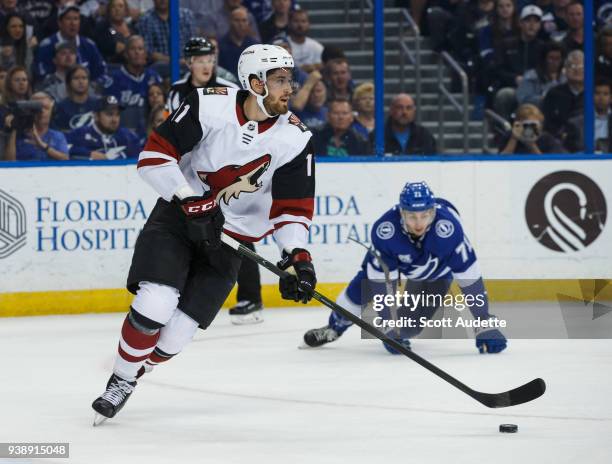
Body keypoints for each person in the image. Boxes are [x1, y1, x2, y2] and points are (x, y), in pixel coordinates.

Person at [91, 44, 317, 423]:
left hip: (232, 241)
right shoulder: (208, 105)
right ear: (255, 83)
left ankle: (139, 368)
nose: (289, 88)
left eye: (289, 79)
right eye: (280, 80)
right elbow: (153, 157)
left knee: (177, 334)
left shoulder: (296, 138)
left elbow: (292, 210)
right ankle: (122, 379)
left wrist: (297, 257)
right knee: (156, 301)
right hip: (179, 219)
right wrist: (189, 198)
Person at [303, 182, 508, 355]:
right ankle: (334, 327)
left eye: (425, 215)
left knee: (408, 328)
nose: (419, 223)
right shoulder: (385, 231)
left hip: (435, 275)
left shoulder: (449, 230)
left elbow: (469, 281)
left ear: (433, 212)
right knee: (362, 285)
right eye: (412, 216)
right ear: (401, 212)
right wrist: (388, 324)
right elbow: (381, 285)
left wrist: (483, 321)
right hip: (397, 265)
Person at [103, 35, 162, 141]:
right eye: (133, 49)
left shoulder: (154, 77)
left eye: (140, 49)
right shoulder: (114, 79)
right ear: (125, 54)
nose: (137, 52)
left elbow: (163, 109)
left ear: (145, 53)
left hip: (151, 134)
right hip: (121, 136)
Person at [33, 4, 107, 85]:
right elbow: (41, 75)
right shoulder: (47, 46)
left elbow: (102, 72)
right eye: (68, 19)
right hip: (56, 92)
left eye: (76, 19)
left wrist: (91, 86)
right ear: (59, 23)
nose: (73, 23)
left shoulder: (89, 44)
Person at [167, 36, 238, 113]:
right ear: (188, 63)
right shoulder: (177, 90)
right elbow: (174, 123)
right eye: (201, 62)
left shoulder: (230, 89)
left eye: (210, 61)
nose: (206, 67)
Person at [66, 95, 141, 160]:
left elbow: (139, 157)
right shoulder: (80, 134)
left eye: (117, 114)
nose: (114, 119)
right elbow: (64, 148)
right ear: (96, 116)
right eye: (109, 114)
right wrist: (89, 153)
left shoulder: (127, 136)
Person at [4, 92, 69, 161]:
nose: (42, 111)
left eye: (46, 108)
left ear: (52, 111)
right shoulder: (18, 136)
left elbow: (65, 160)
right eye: (37, 108)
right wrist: (13, 129)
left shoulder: (57, 136)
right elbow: (9, 164)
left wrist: (43, 146)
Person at [541, 49, 584, 137]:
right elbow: (547, 123)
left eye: (581, 66)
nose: (576, 70)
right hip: (559, 140)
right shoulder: (554, 93)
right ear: (564, 70)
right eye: (572, 66)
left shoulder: (594, 93)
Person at [138, 0, 195, 64]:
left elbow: (193, 45)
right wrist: (177, 62)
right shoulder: (145, 20)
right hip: (159, 68)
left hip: (187, 64)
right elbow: (149, 53)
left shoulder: (186, 15)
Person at [498, 103, 565, 154]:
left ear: (540, 125)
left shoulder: (546, 139)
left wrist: (531, 144)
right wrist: (514, 139)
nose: (530, 128)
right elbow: (502, 161)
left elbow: (547, 163)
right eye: (526, 124)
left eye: (533, 124)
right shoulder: (510, 136)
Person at [515, 41, 565, 106]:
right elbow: (523, 99)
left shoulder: (566, 77)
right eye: (551, 58)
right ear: (544, 59)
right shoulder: (531, 76)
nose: (554, 62)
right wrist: (545, 99)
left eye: (557, 59)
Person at [52, 64, 99, 132]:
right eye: (76, 78)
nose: (80, 82)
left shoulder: (98, 104)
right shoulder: (61, 107)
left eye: (84, 78)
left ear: (89, 82)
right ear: (68, 83)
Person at [217, 7, 260, 78]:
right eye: (237, 20)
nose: (241, 24)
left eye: (244, 20)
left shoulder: (255, 46)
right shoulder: (220, 46)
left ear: (248, 23)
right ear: (230, 21)